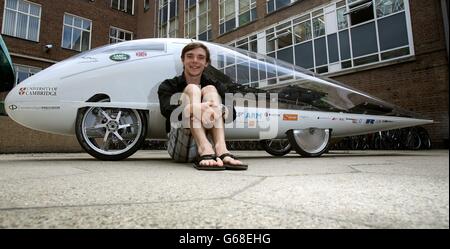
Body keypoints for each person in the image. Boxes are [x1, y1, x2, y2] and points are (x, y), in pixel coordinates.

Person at [158, 42, 248, 171]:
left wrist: (218, 108)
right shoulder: (168, 85)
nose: (195, 61)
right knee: (192, 89)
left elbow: (231, 115)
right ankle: (203, 148)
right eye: (190, 56)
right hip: (182, 145)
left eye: (200, 57)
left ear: (206, 63)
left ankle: (221, 149)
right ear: (183, 60)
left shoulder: (217, 85)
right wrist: (192, 108)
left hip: (213, 150)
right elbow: (166, 111)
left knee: (210, 89)